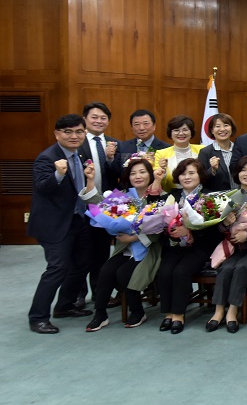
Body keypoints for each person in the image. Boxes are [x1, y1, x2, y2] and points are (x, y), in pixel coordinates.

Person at [27, 115, 95, 334]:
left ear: (84, 133)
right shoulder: (47, 158)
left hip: (77, 219)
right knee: (57, 268)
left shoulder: (80, 154)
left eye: (79, 131)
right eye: (68, 132)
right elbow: (42, 187)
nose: (74, 136)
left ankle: (65, 305)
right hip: (54, 223)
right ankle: (38, 317)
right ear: (57, 134)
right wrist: (58, 173)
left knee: (82, 264)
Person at [81, 157, 166, 331]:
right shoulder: (124, 197)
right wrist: (90, 180)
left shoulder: (158, 197)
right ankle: (100, 314)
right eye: (133, 173)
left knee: (123, 273)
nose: (138, 176)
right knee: (106, 271)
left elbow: (161, 229)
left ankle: (137, 311)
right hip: (125, 249)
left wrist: (134, 238)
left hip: (149, 249)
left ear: (150, 175)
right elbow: (97, 203)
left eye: (142, 172)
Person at [157, 158, 224, 334]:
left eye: (191, 173)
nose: (186, 177)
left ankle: (179, 315)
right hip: (175, 245)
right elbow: (158, 223)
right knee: (165, 271)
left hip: (200, 247)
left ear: (200, 175)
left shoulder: (209, 197)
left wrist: (190, 231)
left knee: (181, 272)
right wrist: (171, 231)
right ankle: (168, 313)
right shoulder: (170, 197)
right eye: (183, 174)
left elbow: (214, 230)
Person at [206, 156, 247, 334]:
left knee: (242, 268)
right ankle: (219, 311)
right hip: (235, 247)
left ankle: (232, 312)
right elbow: (220, 228)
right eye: (243, 170)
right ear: (237, 173)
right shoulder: (230, 196)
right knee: (226, 268)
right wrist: (226, 224)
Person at [77, 102, 121, 310]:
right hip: (82, 205)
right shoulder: (77, 142)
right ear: (85, 119)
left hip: (105, 206)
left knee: (101, 252)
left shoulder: (114, 144)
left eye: (103, 118)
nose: (98, 121)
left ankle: (99, 292)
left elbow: (119, 174)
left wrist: (111, 159)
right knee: (80, 253)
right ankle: (78, 295)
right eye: (94, 117)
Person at [113, 109, 169, 181]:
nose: (141, 128)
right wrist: (110, 158)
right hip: (127, 187)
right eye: (137, 124)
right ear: (132, 128)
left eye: (146, 124)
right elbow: (115, 173)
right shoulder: (123, 146)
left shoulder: (166, 148)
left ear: (154, 126)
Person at [153, 116, 205, 192]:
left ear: (191, 132)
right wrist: (163, 171)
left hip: (202, 194)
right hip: (172, 196)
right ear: (170, 133)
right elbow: (160, 182)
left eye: (185, 130)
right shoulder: (161, 154)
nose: (181, 133)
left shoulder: (202, 150)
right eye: (176, 130)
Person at [198, 113, 242, 191]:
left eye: (226, 125)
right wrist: (212, 170)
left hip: (241, 194)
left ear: (232, 128)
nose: (222, 129)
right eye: (217, 126)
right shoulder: (205, 152)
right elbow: (201, 179)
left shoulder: (240, 148)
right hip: (218, 196)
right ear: (212, 130)